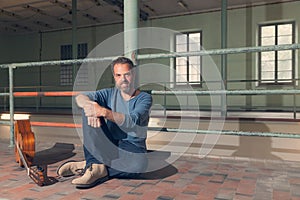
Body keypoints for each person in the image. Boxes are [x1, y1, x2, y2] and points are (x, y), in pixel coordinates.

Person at [57, 56, 152, 189]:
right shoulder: (108, 93)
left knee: (139, 167)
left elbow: (132, 120)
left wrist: (102, 111)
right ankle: (95, 167)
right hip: (109, 144)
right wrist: (89, 105)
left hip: (132, 148)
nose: (123, 79)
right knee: (88, 109)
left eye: (127, 74)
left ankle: (90, 166)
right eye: (118, 75)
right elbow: (80, 97)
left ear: (133, 74)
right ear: (114, 77)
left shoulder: (144, 98)